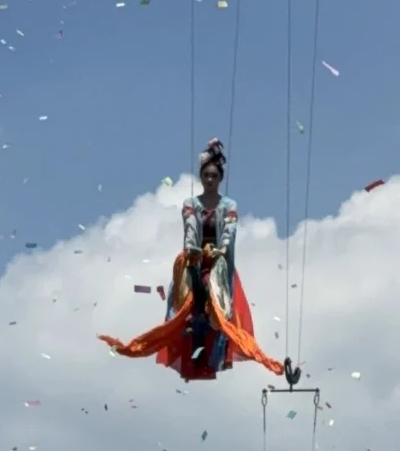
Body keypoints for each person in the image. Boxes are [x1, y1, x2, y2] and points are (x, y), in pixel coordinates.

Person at [99, 139, 284, 382]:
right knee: (187, 297)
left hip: (218, 261)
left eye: (214, 176)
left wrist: (222, 249)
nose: (209, 180)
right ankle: (188, 333)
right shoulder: (191, 204)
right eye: (206, 175)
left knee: (216, 306)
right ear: (201, 177)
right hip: (196, 257)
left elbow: (229, 231)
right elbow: (190, 228)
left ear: (220, 179)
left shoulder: (229, 205)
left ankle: (213, 344)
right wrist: (192, 250)